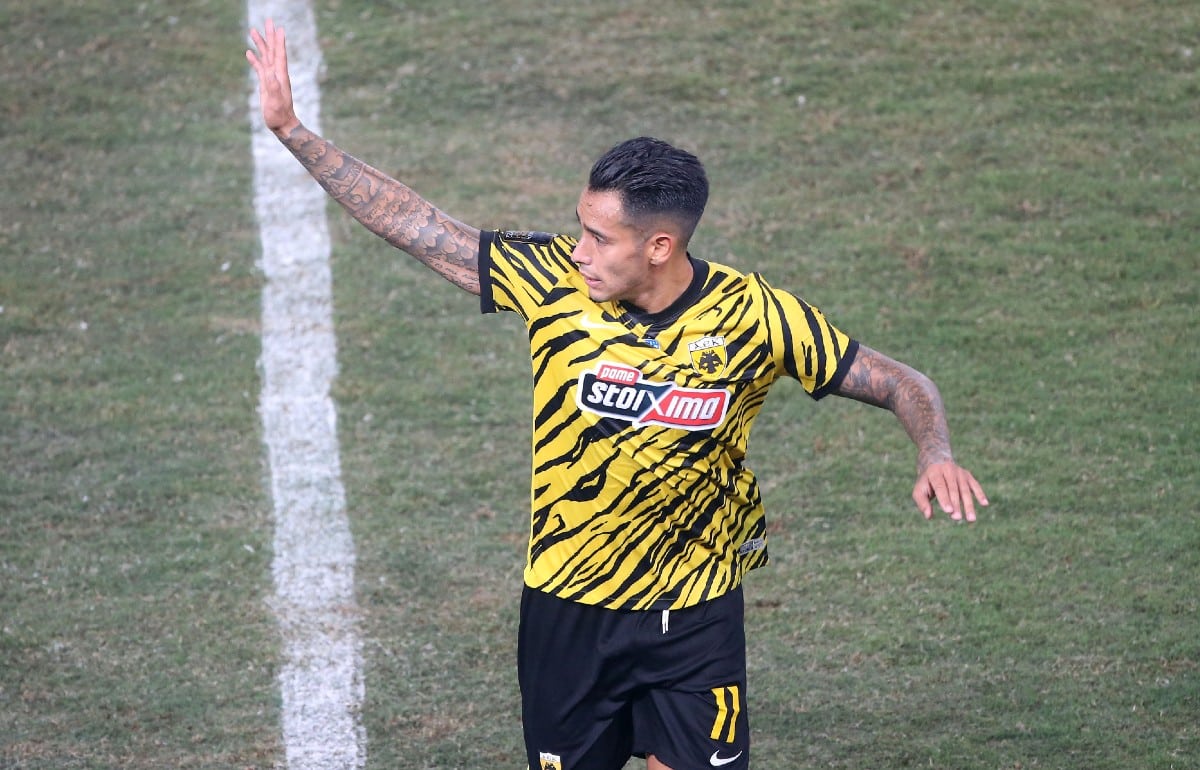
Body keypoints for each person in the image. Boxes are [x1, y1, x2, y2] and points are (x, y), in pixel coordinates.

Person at [247, 19, 987, 770]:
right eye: (581, 229)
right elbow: (417, 225)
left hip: (696, 613)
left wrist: (935, 452)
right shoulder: (550, 281)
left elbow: (900, 380)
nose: (578, 252)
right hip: (569, 612)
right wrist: (292, 132)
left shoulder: (756, 316)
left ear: (660, 246)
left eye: (600, 238)